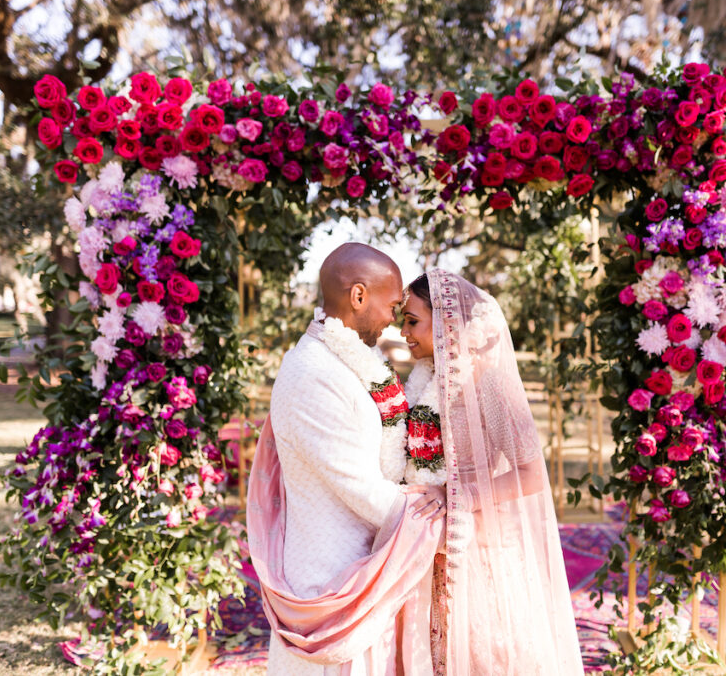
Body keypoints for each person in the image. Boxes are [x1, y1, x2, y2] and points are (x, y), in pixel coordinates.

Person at [247, 243, 446, 675]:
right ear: (358, 296)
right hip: (329, 583)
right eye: (392, 306)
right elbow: (359, 486)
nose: (395, 319)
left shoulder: (352, 364)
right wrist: (441, 518)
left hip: (366, 574)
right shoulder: (312, 373)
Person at [399, 269, 583, 675]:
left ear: (446, 321)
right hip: (426, 543)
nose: (404, 333)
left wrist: (454, 497)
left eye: (412, 321)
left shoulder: (488, 384)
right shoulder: (422, 379)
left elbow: (532, 473)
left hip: (480, 544)